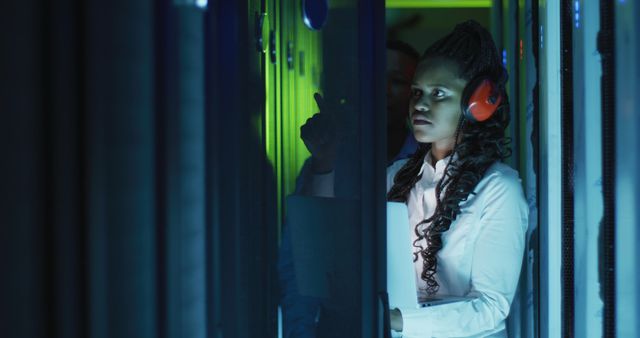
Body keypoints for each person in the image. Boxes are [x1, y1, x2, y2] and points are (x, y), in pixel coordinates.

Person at [386, 21, 528, 337]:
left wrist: (399, 320)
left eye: (439, 93)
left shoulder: (498, 190)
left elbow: (491, 308)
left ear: (477, 105)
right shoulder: (395, 178)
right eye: (416, 92)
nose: (420, 104)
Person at [278, 40, 420, 337]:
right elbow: (301, 260)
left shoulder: (429, 161)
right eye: (377, 80)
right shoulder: (332, 160)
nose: (384, 90)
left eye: (398, 81)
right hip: (343, 323)